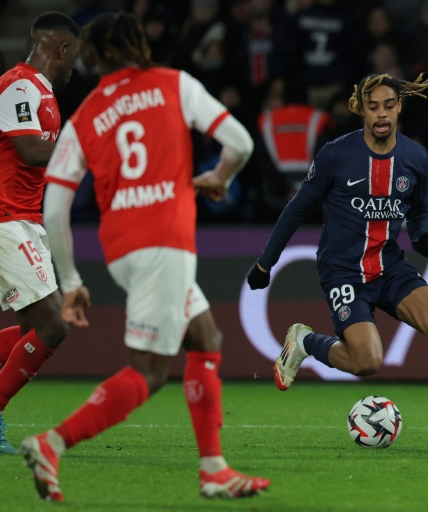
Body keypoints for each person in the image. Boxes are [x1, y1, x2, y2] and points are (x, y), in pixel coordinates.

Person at [19, 12, 269, 501]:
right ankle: (52, 443)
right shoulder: (174, 84)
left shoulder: (86, 114)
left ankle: (214, 468)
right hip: (165, 242)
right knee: (150, 370)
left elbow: (54, 208)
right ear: (137, 43)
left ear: (94, 57)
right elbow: (239, 141)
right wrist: (219, 177)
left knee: (204, 336)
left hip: (121, 248)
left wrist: (70, 280)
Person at [248, 72, 428, 450]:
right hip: (343, 271)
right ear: (361, 110)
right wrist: (266, 262)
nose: (381, 114)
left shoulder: (415, 156)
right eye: (372, 107)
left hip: (390, 267)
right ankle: (304, 341)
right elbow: (297, 209)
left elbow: (418, 213)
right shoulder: (336, 154)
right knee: (366, 361)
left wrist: (423, 237)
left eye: (388, 105)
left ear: (399, 107)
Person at [0, 11, 80, 454]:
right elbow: (30, 150)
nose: (74, 68)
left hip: (20, 220)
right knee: (53, 325)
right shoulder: (19, 84)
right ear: (62, 50)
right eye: (74, 57)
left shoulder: (43, 94)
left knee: (37, 329)